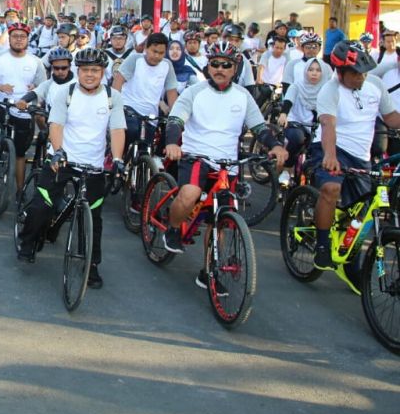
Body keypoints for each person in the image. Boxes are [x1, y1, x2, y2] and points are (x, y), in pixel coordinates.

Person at [161, 41, 288, 290]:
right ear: (208, 66)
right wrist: (172, 143)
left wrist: (274, 145)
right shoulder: (194, 92)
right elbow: (175, 120)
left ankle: (209, 272)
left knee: (220, 220)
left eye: (226, 65)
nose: (220, 69)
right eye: (215, 64)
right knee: (190, 193)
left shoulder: (243, 96)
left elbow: (259, 128)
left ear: (235, 68)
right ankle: (173, 228)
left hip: (228, 164)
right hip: (196, 156)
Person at [17, 48, 125, 289]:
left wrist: (117, 160)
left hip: (94, 165)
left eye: (95, 70)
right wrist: (58, 151)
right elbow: (56, 124)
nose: (89, 75)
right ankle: (28, 241)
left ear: (102, 72)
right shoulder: (66, 93)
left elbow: (117, 130)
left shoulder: (112, 96)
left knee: (93, 220)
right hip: (63, 159)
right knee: (41, 206)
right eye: (85, 70)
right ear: (78, 71)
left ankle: (92, 265)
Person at [309, 41, 400, 271]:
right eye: (355, 74)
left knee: (361, 210)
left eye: (364, 72)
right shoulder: (330, 90)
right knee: (331, 189)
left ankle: (351, 256)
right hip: (331, 147)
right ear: (340, 72)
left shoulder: (376, 85)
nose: (361, 77)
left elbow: (391, 118)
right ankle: (322, 245)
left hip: (361, 154)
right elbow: (328, 124)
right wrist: (330, 155)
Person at [0, 22, 46, 191]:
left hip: (23, 110)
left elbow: (44, 87)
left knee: (20, 153)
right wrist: (0, 87)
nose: (18, 40)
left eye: (22, 36)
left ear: (28, 39)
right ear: (9, 38)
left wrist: (35, 89)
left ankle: (20, 192)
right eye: (15, 36)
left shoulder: (36, 61)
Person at [112, 32, 178, 150]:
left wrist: (175, 115)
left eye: (161, 53)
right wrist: (115, 107)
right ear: (146, 48)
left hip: (150, 115)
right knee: (131, 131)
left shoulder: (167, 65)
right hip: (128, 109)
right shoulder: (135, 59)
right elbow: (118, 82)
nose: (157, 56)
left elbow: (172, 92)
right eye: (154, 51)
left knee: (147, 147)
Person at [277, 57, 326, 185]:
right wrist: (283, 114)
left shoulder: (327, 89)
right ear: (305, 71)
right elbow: (288, 100)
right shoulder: (297, 85)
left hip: (317, 125)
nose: (314, 73)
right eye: (310, 70)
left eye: (317, 70)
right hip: (296, 121)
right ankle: (286, 170)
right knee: (296, 139)